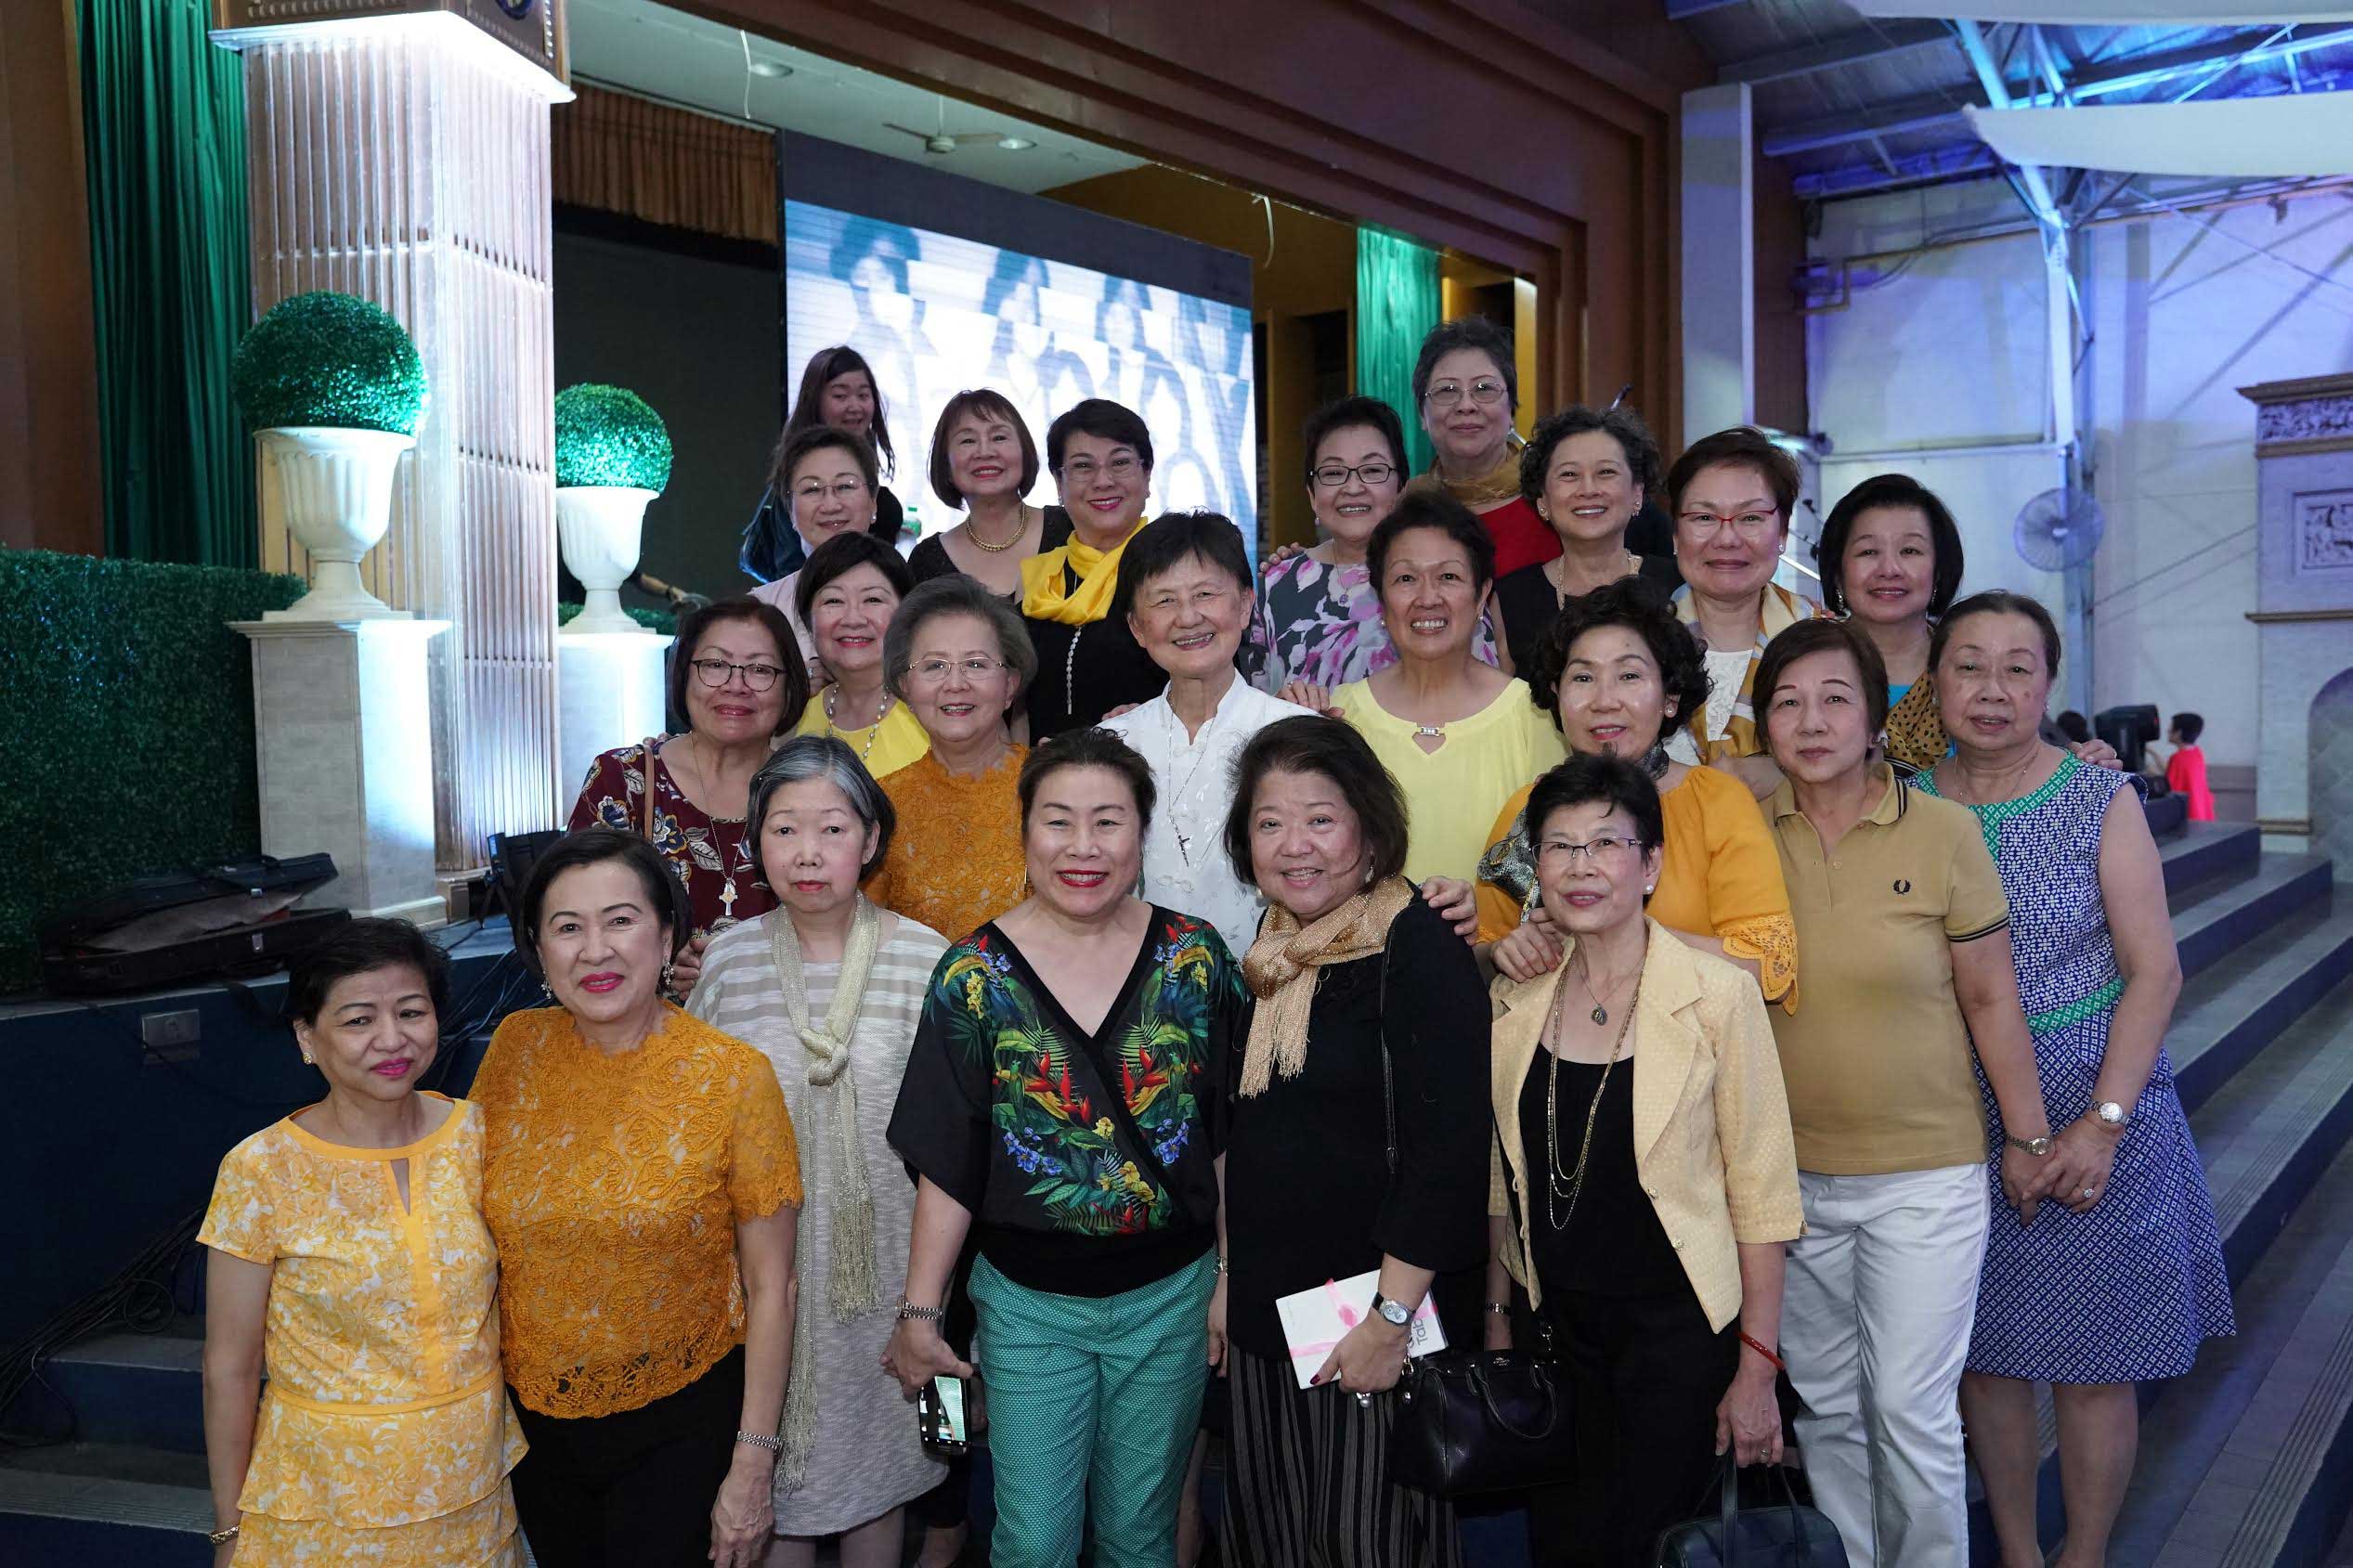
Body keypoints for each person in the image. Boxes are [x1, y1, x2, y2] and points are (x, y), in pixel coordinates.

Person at [1912, 592, 2232, 1568]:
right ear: (1935, 682)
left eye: (2018, 668)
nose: (1992, 688)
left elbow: (2154, 971)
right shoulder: (1903, 802)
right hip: (1953, 1116)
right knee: (1985, 1359)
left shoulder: (2099, 797)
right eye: (1969, 665)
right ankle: (2017, 1552)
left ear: (2048, 683)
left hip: (2102, 1105)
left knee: (2097, 1367)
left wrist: (2101, 1123)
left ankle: (2083, 1555)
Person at [882, 730, 1247, 1568]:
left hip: (1171, 1297)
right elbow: (948, 1162)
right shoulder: (973, 976)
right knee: (1034, 1539)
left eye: (1108, 821)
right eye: (1058, 821)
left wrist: (1231, 1274)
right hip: (1028, 1304)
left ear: (1141, 834)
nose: (1083, 846)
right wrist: (920, 1312)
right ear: (1024, 832)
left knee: (1140, 1536)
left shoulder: (1194, 960)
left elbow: (1226, 1137)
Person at [1754, 617, 2068, 1568]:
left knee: (1908, 1406)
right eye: (1786, 702)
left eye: (1834, 699)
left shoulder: (1942, 831)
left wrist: (2028, 1138)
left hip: (1924, 1172)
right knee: (1829, 1407)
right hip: (1787, 1182)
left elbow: (1990, 997)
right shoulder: (1741, 833)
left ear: (1875, 718)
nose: (1812, 721)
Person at [1485, 755, 1802, 1568]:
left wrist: (1758, 1366)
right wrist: (1497, 1317)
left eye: (1606, 844)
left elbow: (1763, 1191)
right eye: (1559, 847)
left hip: (1679, 1336)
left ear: (1651, 864)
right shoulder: (1516, 999)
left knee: (1661, 1547)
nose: (1581, 866)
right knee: (1565, 1546)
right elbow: (1503, 1180)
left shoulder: (1716, 995)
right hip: (1556, 1332)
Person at [472, 829, 802, 1568]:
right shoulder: (515, 1049)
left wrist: (753, 1463)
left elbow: (773, 1284)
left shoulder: (732, 1076)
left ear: (667, 933)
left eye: (620, 920)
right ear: (537, 947)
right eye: (568, 927)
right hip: (534, 1427)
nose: (596, 950)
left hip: (680, 1419)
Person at [1216, 716, 1490, 1568]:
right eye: (1270, 822)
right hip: (1269, 1318)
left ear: (1369, 831)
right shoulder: (1272, 953)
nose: (1294, 844)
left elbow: (1448, 1153)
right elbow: (1244, 1134)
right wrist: (1226, 1280)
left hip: (1371, 1322)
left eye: (1320, 818)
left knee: (1366, 1543)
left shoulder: (1419, 942)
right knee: (1274, 1542)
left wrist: (1390, 1319)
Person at [687, 738, 951, 1568]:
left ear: (870, 839)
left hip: (904, 1276)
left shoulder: (929, 957)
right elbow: (694, 1122)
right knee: (777, 1489)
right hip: (768, 1279)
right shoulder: (727, 958)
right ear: (757, 842)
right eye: (785, 829)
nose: (808, 852)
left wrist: (930, 1303)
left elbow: (959, 1144)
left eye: (833, 828)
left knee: (897, 1475)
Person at [200, 920, 525, 1568]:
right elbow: (229, 1368)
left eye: (412, 1011)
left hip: (471, 1492)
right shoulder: (262, 1169)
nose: (392, 1038)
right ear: (306, 1037)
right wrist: (228, 1531)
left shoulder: (478, 1136)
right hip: (323, 1508)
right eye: (358, 1020)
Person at [1474, 581, 1797, 1008]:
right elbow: (1481, 951)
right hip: (1553, 1043)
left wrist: (1630, 936)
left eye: (1629, 676)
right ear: (1556, 694)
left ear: (1670, 697)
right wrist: (1505, 953)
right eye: (1583, 677)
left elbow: (1766, 967)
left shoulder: (1717, 802)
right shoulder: (1528, 808)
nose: (1604, 701)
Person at [569, 597, 812, 994]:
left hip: (780, 1019)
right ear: (685, 676)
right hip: (642, 1021)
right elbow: (574, 914)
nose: (735, 685)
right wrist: (657, 959)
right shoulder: (623, 781)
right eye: (715, 665)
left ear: (790, 687)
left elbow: (840, 922)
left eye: (760, 669)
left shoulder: (811, 791)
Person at [1329, 492, 1566, 883]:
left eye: (1449, 577)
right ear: (1381, 599)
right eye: (1406, 579)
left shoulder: (1532, 713)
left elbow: (1555, 860)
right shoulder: (1339, 715)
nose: (1427, 598)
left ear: (1481, 595)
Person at [1102, 511, 1299, 955]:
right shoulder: (1110, 745)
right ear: (1137, 627)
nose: (1188, 617)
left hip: (1273, 980)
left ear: (1245, 605)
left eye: (1205, 594)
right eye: (1164, 600)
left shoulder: (1298, 735)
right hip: (1138, 984)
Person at [1254, 395, 1502, 694]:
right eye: (1333, 473)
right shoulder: (1278, 584)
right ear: (1312, 495)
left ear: (1401, 487)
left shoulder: (1443, 576)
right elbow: (1260, 701)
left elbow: (1483, 690)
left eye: (1372, 470)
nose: (1352, 488)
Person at [867, 573, 1037, 943]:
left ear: (1010, 685)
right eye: (934, 666)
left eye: (976, 664)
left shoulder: (1051, 786)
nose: (956, 683)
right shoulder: (880, 805)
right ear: (904, 687)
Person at [1665, 427, 1826, 796]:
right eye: (1704, 518)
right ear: (1675, 534)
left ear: (1782, 533)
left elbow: (1865, 766)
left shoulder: (1826, 643)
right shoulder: (1637, 645)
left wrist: (1786, 774)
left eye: (1750, 518)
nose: (1727, 538)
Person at [1489, 404, 1681, 676]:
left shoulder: (1677, 586)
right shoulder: (1512, 598)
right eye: (1569, 474)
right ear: (1542, 500)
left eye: (1606, 472)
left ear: (1637, 493)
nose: (1588, 489)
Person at [1020, 399, 1170, 738]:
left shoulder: (1174, 571)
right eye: (1083, 466)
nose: (1103, 481)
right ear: (1059, 483)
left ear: (1147, 475)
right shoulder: (1042, 578)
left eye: (1120, 462)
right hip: (1047, 767)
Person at [1812, 473, 1967, 772]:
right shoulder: (1799, 664)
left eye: (1910, 551)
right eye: (1868, 552)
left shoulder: (1970, 668)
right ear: (1837, 573)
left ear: (1939, 570)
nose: (1889, 569)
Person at [1402, 317, 1557, 578]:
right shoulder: (1406, 506)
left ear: (1511, 409)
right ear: (1422, 414)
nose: (1466, 406)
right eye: (1447, 390)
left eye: (1484, 388)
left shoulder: (1553, 495)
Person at [742, 351, 905, 585]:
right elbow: (790, 571)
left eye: (863, 395)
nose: (855, 406)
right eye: (840, 396)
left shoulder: (880, 492)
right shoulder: (795, 483)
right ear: (814, 400)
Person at [788, 533, 930, 780]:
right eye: (834, 600)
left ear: (906, 615)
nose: (853, 619)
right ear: (808, 622)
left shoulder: (933, 710)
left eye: (873, 599)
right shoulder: (797, 716)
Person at [909, 389, 1075, 597]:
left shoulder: (1072, 528)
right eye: (968, 441)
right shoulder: (927, 560)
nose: (985, 452)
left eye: (999, 437)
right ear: (946, 465)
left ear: (1024, 452)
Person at [750, 426, 887, 671]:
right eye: (812, 489)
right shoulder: (762, 608)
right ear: (789, 510)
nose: (831, 505)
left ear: (873, 501)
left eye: (845, 486)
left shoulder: (910, 601)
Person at [2165, 712, 2216, 821]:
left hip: (2188, 818)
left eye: (2171, 727)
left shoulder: (2177, 758)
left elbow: (2169, 788)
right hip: (2203, 814)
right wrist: (2152, 752)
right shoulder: (2197, 753)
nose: (2168, 730)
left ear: (2179, 732)